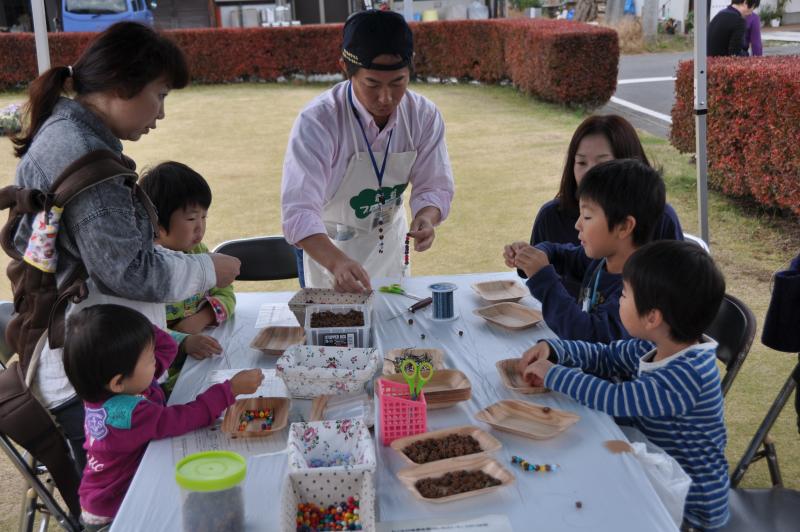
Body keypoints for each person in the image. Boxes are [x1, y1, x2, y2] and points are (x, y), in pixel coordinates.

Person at [11, 22, 241, 469]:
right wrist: (207, 270)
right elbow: (128, 271)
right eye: (160, 95)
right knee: (129, 501)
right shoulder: (80, 151)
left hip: (100, 363)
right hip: (92, 379)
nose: (160, 113)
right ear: (121, 86)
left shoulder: (72, 136)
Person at [517, 240, 729, 530]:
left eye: (626, 295)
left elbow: (616, 398)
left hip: (689, 505)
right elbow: (606, 357)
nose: (619, 300)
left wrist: (555, 375)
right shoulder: (654, 343)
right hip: (654, 468)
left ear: (652, 317)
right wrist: (556, 351)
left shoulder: (687, 374)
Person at [281, 9, 455, 292]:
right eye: (372, 84)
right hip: (329, 247)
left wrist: (426, 216)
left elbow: (434, 185)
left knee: (395, 324)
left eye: (398, 82)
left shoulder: (422, 116)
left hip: (390, 243)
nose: (386, 98)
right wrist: (337, 262)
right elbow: (299, 211)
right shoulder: (319, 121)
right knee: (338, 331)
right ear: (345, 69)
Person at [62, 305, 264, 531]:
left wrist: (141, 327)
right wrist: (230, 390)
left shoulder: (111, 389)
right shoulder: (129, 414)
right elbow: (184, 417)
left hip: (107, 496)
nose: (155, 361)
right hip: (114, 511)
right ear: (117, 381)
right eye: (149, 359)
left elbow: (166, 348)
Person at [504, 159, 665, 342]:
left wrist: (543, 278)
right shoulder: (603, 261)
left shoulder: (637, 292)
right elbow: (560, 254)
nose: (577, 224)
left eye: (587, 216)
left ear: (623, 227)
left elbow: (589, 336)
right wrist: (534, 254)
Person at [530, 115, 682, 296]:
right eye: (581, 162)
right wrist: (528, 256)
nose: (589, 173)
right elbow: (566, 259)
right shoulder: (551, 215)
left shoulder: (660, 218)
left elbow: (678, 290)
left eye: (603, 163)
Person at [139, 161, 235, 392]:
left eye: (204, 217)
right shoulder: (147, 269)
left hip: (203, 358)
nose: (200, 228)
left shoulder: (199, 253)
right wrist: (183, 341)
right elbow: (144, 330)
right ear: (158, 224)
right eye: (192, 219)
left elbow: (227, 292)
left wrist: (202, 317)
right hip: (165, 377)